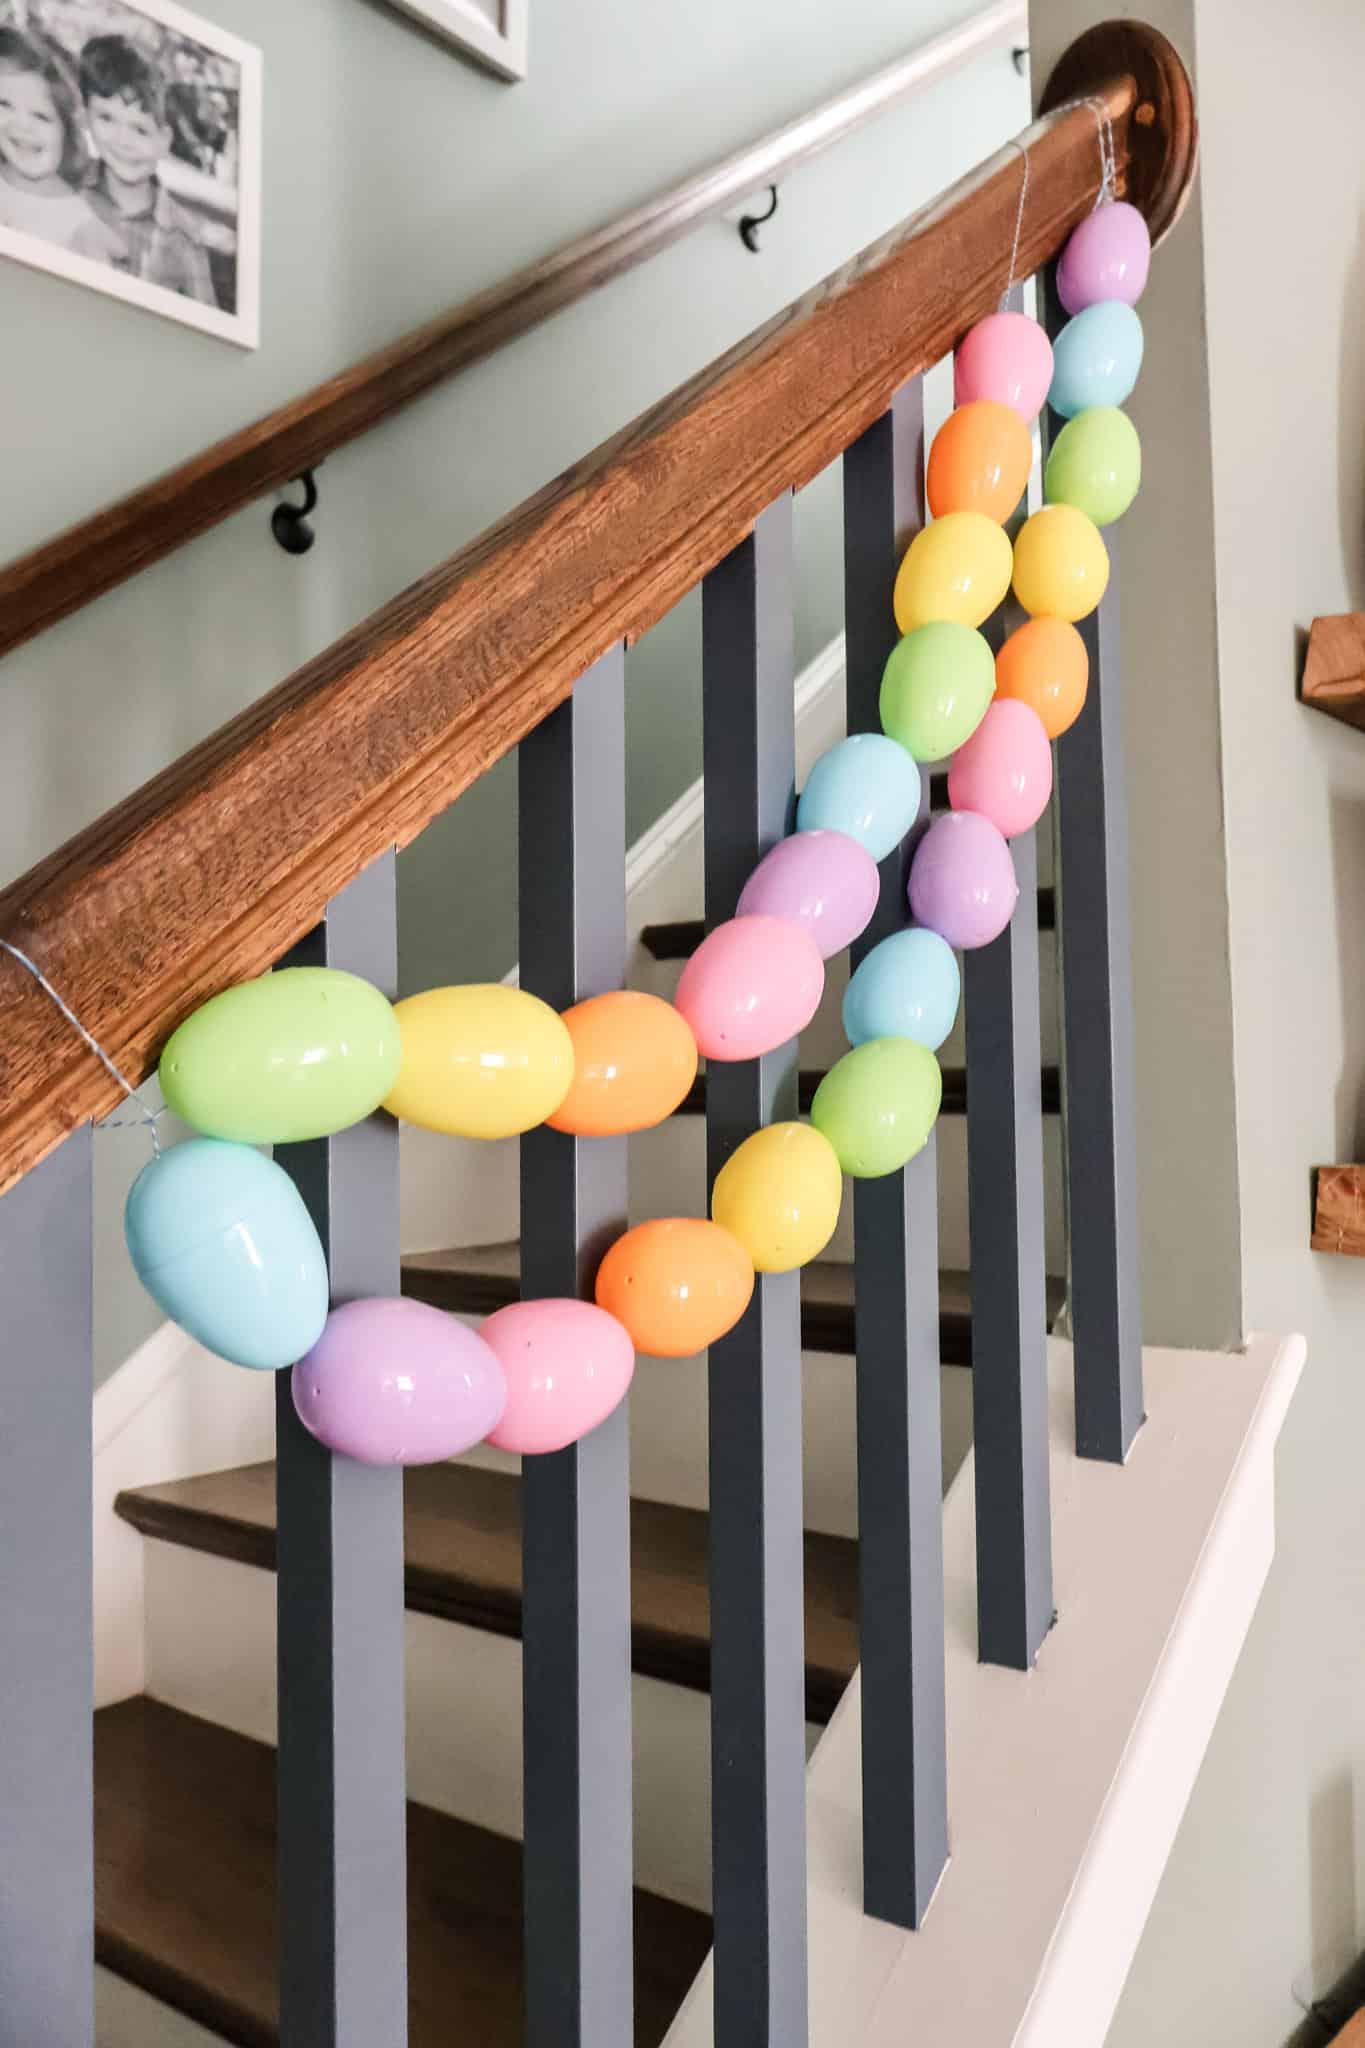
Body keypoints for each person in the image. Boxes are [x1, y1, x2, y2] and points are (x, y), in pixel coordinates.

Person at [78, 33, 216, 306]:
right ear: (86, 118)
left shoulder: (185, 238)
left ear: (163, 141)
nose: (122, 141)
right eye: (106, 118)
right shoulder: (69, 192)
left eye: (140, 129)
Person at [0, 25, 125, 262]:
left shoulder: (81, 230)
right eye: (4, 105)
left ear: (66, 130)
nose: (21, 126)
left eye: (41, 116)